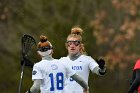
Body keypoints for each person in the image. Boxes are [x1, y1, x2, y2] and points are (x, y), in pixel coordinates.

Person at [59, 26, 106, 93]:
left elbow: (99, 71)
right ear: (67, 45)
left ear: (80, 45)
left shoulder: (87, 60)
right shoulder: (61, 61)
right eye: (70, 43)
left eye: (76, 43)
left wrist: (102, 68)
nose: (72, 45)